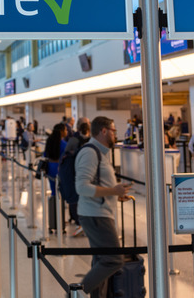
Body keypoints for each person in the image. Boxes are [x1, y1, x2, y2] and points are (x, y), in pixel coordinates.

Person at [74, 116, 133, 297]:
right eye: (114, 131)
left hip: (101, 212)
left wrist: (116, 194)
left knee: (101, 258)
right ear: (104, 131)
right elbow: (82, 187)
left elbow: (99, 184)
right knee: (113, 259)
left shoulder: (101, 152)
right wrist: (112, 191)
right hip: (95, 215)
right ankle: (78, 291)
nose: (116, 135)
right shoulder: (90, 153)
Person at [43, 123, 67, 197]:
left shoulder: (49, 141)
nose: (67, 131)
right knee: (62, 189)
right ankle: (60, 206)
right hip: (60, 167)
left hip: (50, 167)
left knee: (53, 189)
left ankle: (53, 205)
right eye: (65, 130)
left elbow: (45, 154)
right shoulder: (64, 144)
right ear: (62, 131)